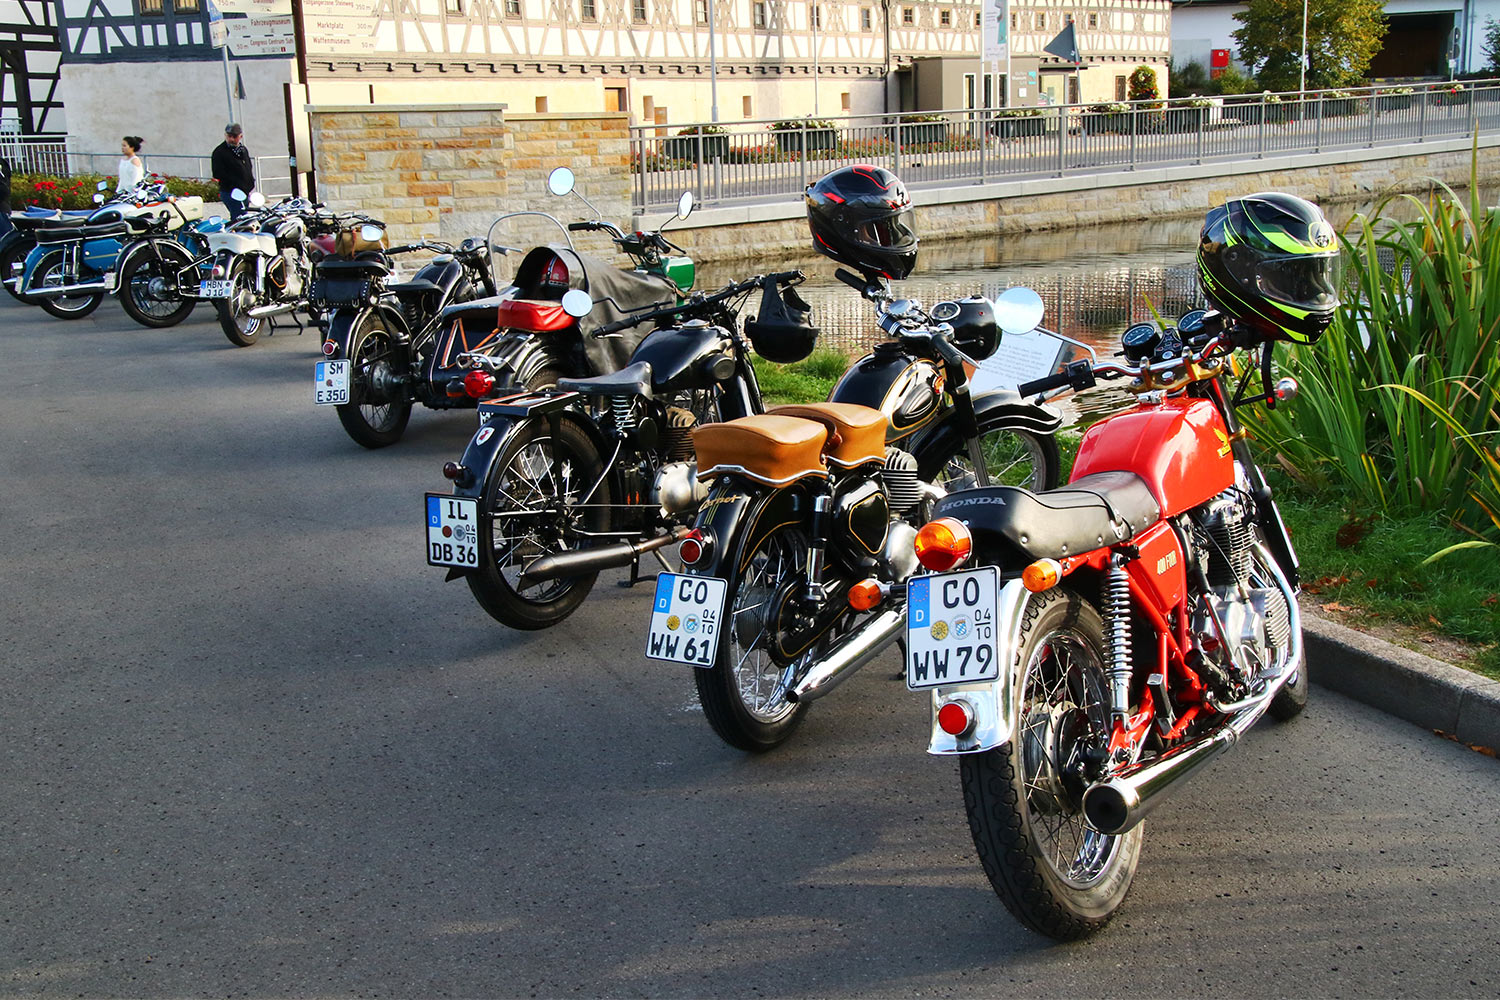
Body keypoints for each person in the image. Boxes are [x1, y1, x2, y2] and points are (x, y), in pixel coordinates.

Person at [212, 123, 256, 221]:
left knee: (243, 217)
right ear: (225, 136)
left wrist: (250, 182)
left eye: (234, 136)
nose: (231, 139)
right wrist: (235, 182)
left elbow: (248, 167)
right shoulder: (220, 151)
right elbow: (217, 173)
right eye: (229, 136)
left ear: (240, 136)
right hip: (230, 191)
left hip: (244, 191)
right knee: (239, 218)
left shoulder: (242, 150)